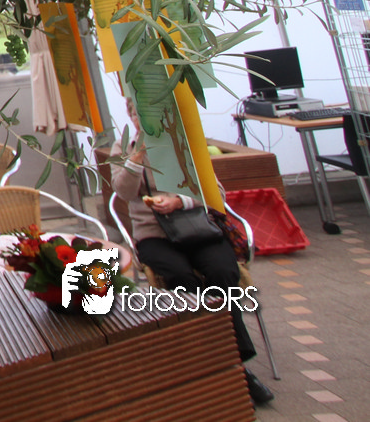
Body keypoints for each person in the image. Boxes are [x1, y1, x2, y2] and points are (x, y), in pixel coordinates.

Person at [111, 145, 273, 404]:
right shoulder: (124, 147)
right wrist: (136, 157)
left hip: (197, 228)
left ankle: (230, 362)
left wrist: (180, 201)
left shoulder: (183, 140)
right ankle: (226, 366)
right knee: (182, 280)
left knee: (223, 272)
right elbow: (123, 192)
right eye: (137, 119)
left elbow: (215, 192)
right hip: (153, 235)